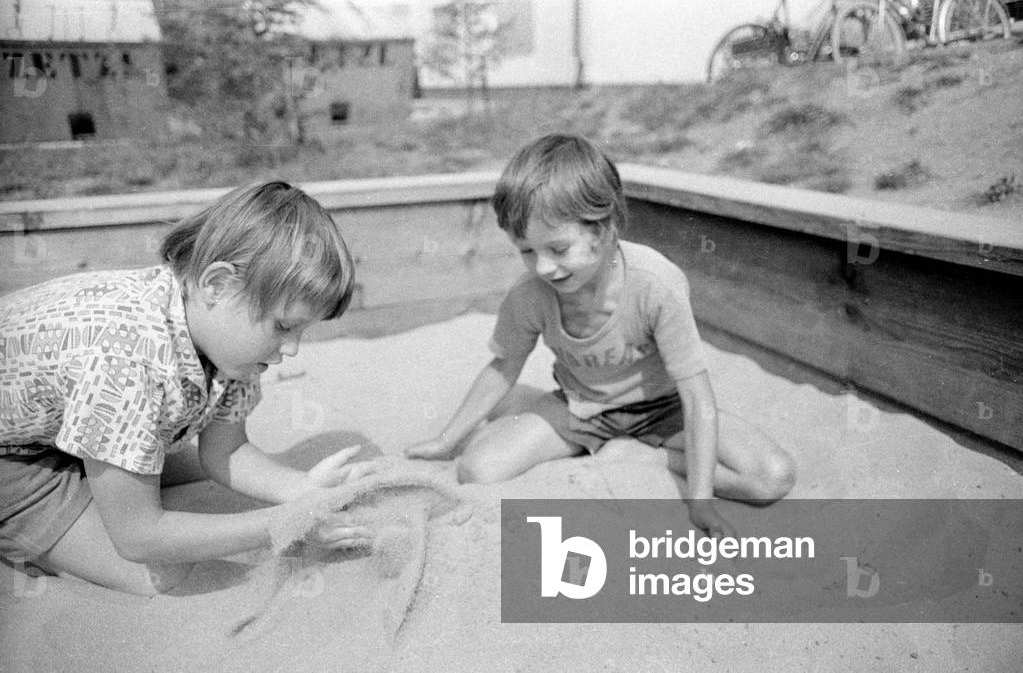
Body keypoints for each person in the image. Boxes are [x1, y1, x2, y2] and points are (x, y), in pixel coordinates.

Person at [406, 134, 795, 537]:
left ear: (605, 229)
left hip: (663, 410)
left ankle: (645, 456)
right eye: (526, 250)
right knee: (478, 470)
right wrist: (446, 439)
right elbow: (503, 365)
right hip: (582, 409)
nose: (543, 267)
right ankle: (539, 411)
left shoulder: (655, 284)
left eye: (558, 249)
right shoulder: (530, 295)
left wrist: (699, 501)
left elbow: (698, 399)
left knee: (771, 478)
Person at [0, 181, 373, 595]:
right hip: (12, 461)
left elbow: (225, 450)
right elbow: (139, 537)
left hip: (60, 427)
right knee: (167, 576)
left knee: (156, 473)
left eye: (304, 330)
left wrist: (301, 489)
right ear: (217, 285)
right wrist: (286, 522)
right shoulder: (126, 358)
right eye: (284, 326)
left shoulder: (231, 338)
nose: (292, 348)